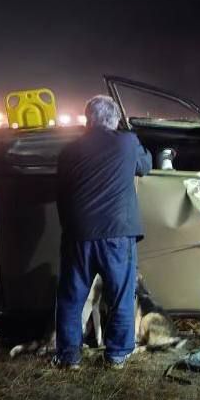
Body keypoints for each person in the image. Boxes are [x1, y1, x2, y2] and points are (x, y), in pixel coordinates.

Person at [54, 94, 152, 369]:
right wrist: (133, 136)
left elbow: (61, 191)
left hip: (78, 235)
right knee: (120, 294)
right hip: (118, 234)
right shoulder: (127, 143)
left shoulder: (69, 150)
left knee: (71, 298)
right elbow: (146, 166)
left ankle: (69, 356)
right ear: (114, 119)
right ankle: (117, 354)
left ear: (88, 119)